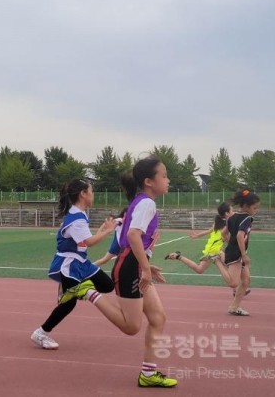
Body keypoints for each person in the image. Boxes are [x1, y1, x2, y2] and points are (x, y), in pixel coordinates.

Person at [58, 156, 177, 388]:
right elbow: (132, 236)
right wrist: (143, 268)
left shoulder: (142, 202)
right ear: (149, 181)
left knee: (158, 318)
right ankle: (87, 291)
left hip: (133, 264)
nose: (168, 180)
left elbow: (130, 239)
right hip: (130, 268)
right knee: (131, 327)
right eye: (164, 175)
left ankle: (148, 374)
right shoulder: (147, 203)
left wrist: (146, 265)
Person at [30, 178, 117, 350]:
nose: (93, 195)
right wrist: (107, 231)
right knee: (69, 304)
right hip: (69, 265)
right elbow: (89, 242)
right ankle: (41, 332)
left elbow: (84, 241)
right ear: (83, 194)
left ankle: (73, 290)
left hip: (82, 263)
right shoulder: (76, 218)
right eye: (91, 192)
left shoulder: (79, 214)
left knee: (107, 285)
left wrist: (101, 230)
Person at [165, 202, 233, 276]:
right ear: (227, 213)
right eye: (232, 210)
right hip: (215, 251)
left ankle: (178, 256)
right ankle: (238, 286)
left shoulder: (217, 225)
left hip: (211, 250)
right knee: (231, 269)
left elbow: (208, 231)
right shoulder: (226, 226)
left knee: (199, 269)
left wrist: (197, 236)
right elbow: (229, 240)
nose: (233, 212)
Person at [223, 189, 260, 316]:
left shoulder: (232, 217)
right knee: (233, 282)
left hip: (234, 251)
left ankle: (234, 306)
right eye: (254, 208)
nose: (256, 211)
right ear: (246, 206)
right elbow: (240, 235)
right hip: (237, 255)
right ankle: (216, 260)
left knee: (245, 281)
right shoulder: (247, 218)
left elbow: (224, 234)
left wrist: (231, 244)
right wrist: (244, 255)